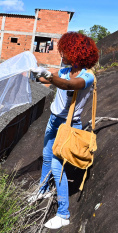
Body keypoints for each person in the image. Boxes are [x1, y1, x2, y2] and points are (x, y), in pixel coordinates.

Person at [30, 32, 99, 229]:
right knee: (45, 155)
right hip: (53, 121)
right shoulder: (64, 71)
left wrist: (48, 75)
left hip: (68, 125)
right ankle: (42, 190)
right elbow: (47, 80)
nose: (62, 54)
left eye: (66, 51)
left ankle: (63, 214)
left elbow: (69, 85)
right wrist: (33, 73)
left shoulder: (87, 76)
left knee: (56, 166)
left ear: (76, 52)